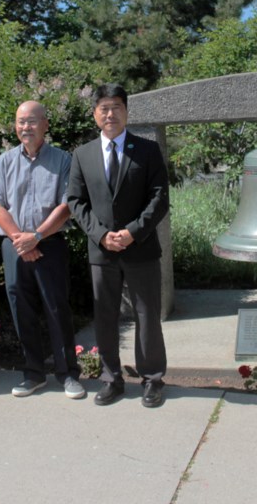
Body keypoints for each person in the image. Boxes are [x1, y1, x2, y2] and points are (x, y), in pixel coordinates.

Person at [67, 84, 169, 408]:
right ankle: (111, 379)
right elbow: (75, 202)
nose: (110, 114)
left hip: (140, 249)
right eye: (103, 108)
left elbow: (159, 198)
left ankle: (152, 379)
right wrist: (100, 235)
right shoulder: (82, 155)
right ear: (95, 113)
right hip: (102, 252)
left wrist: (133, 232)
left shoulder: (148, 150)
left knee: (147, 316)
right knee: (106, 317)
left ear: (126, 111)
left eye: (116, 107)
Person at [0, 101, 85, 400]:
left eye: (31, 121)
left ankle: (67, 374)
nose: (25, 127)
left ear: (46, 124)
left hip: (49, 245)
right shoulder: (4, 162)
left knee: (56, 308)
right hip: (14, 246)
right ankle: (33, 374)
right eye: (20, 121)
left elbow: (67, 205)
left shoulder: (64, 160)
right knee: (21, 309)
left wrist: (36, 237)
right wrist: (20, 240)